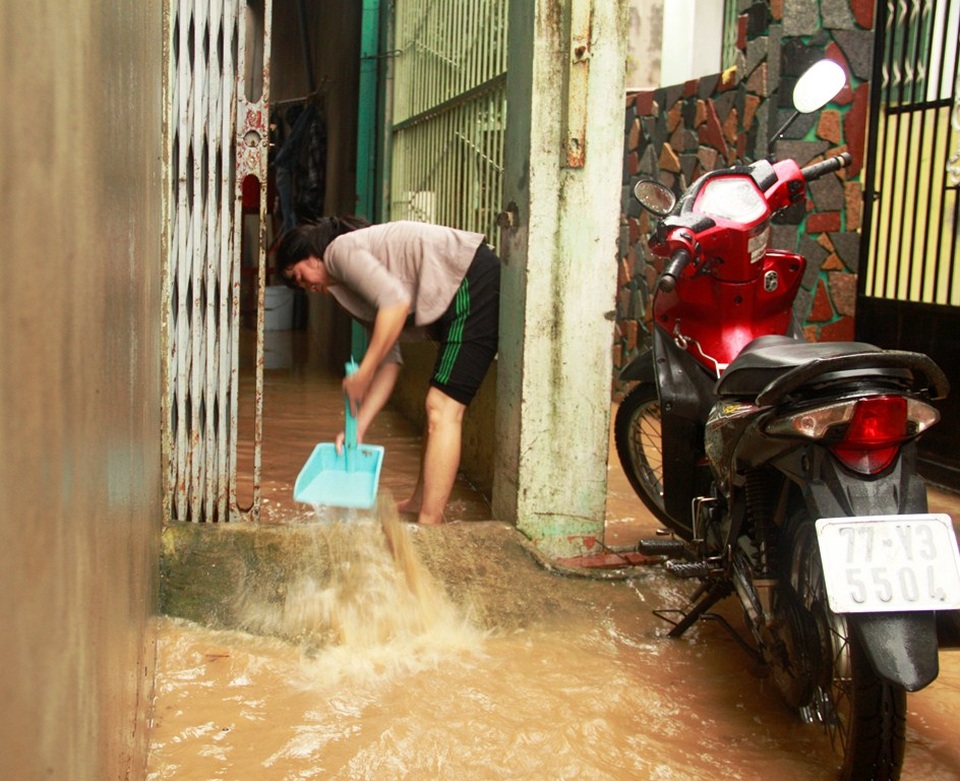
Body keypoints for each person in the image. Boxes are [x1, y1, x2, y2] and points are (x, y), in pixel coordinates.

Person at [276, 217, 501, 525]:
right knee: (436, 410)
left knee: (441, 408)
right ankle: (420, 502)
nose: (306, 286)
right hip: (460, 289)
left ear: (312, 254)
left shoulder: (338, 252)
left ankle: (430, 525)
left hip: (471, 281)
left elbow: (396, 304)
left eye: (299, 276)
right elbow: (389, 363)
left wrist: (363, 373)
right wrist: (358, 429)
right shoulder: (348, 290)